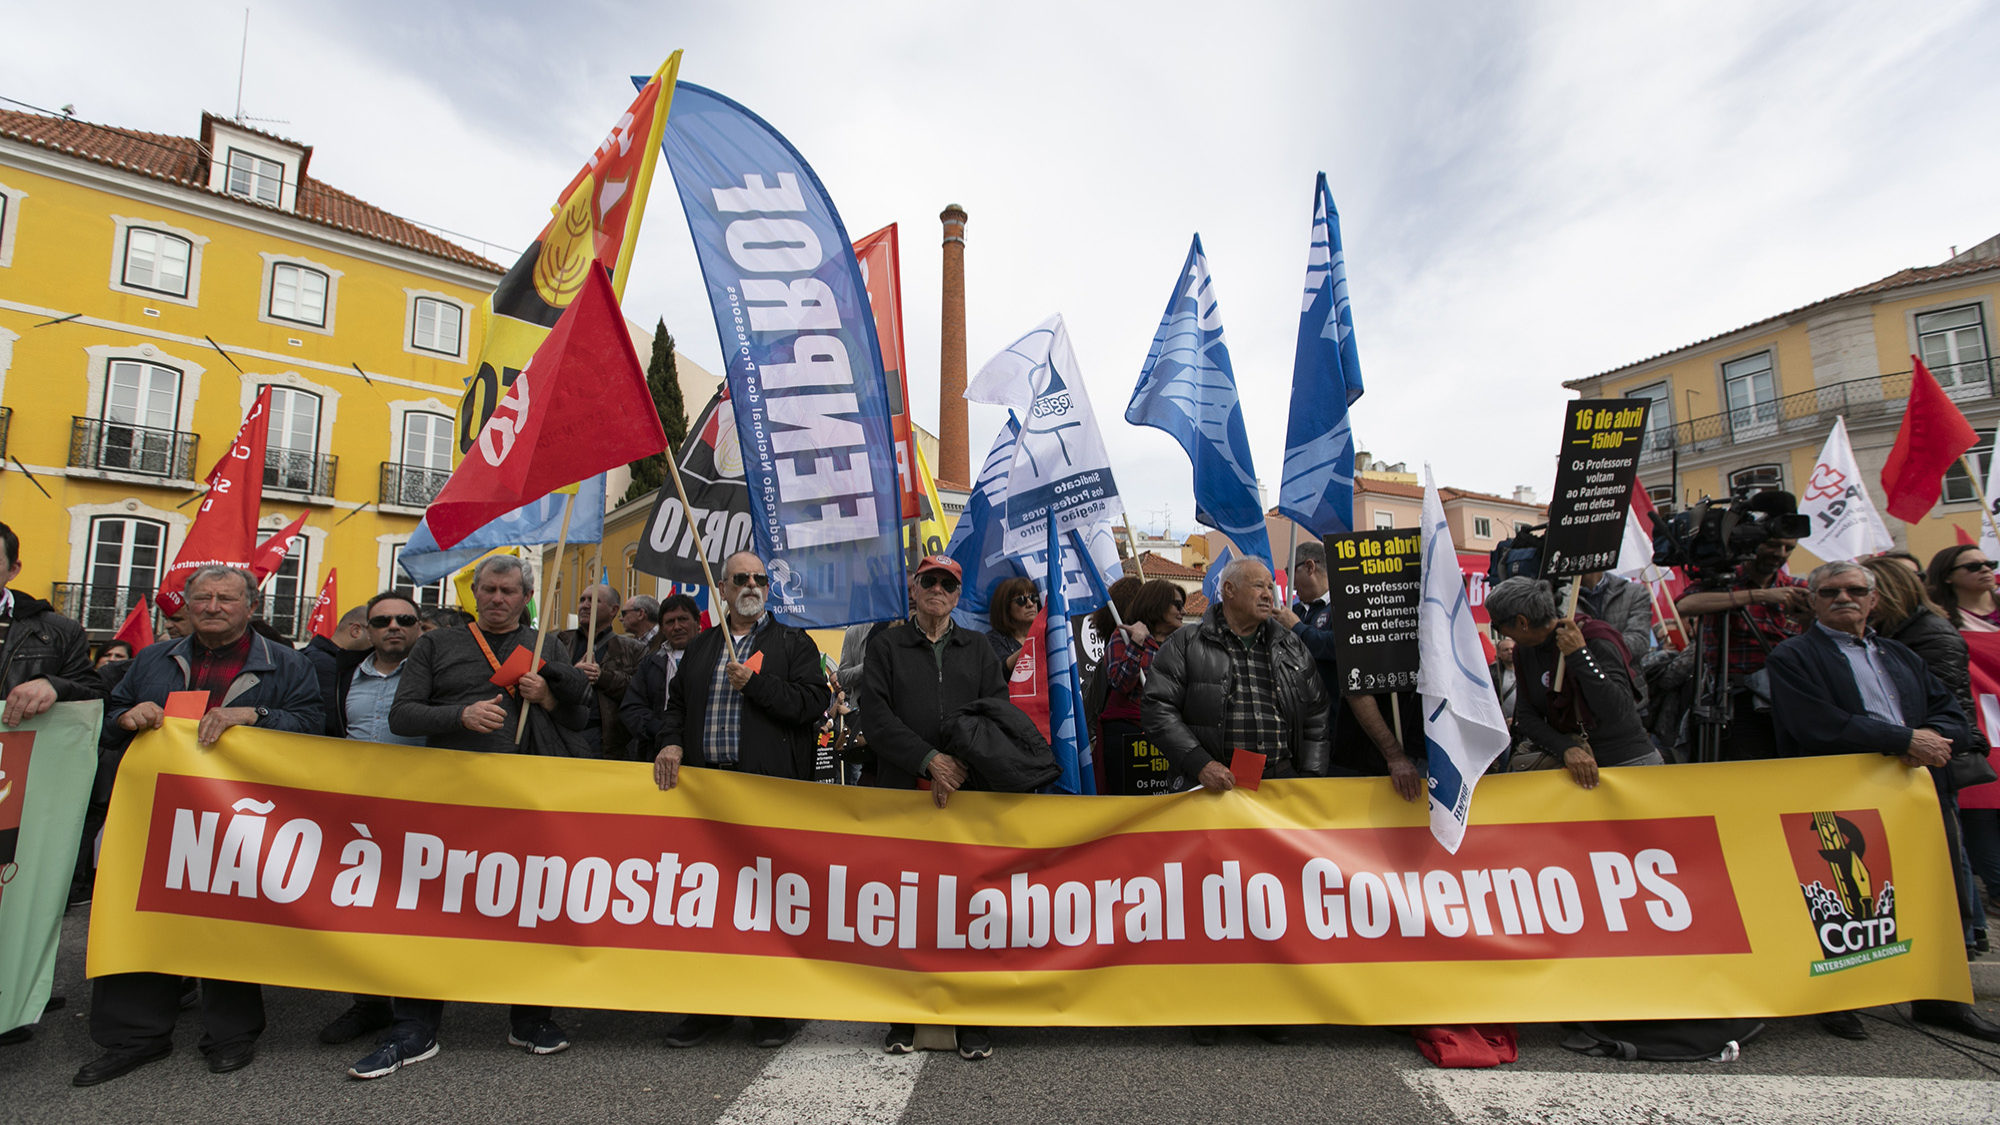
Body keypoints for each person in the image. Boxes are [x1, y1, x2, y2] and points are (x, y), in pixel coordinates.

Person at [75, 565, 322, 1086]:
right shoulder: (152, 659)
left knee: (228, 920)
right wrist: (126, 718)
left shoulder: (288, 663)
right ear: (185, 605)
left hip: (239, 818)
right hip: (152, 812)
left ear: (251, 607)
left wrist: (256, 716)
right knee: (139, 915)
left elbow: (314, 729)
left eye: (225, 598)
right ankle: (134, 1037)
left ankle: (231, 1034)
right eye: (202, 598)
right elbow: (109, 717)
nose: (212, 607)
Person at [350, 555, 590, 1079]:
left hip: (526, 797)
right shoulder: (436, 644)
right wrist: (460, 715)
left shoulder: (547, 644)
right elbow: (402, 714)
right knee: (432, 910)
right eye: (488, 590)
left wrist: (549, 697)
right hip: (452, 798)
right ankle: (414, 1026)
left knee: (531, 908)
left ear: (527, 597)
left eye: (508, 591)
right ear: (474, 593)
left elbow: (580, 717)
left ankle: (530, 1018)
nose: (497, 599)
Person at [1765, 560, 2000, 1044]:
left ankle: (1941, 1000)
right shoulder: (1793, 656)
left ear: (1874, 599)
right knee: (1846, 900)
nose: (1843, 598)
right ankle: (1839, 1000)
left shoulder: (1900, 654)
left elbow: (1951, 713)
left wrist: (1931, 739)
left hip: (1915, 793)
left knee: (1935, 895)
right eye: (1830, 592)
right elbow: (1814, 724)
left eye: (1855, 590)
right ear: (1813, 601)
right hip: (1839, 797)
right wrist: (1904, 739)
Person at [651, 551, 830, 1050]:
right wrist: (671, 742)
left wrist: (757, 685)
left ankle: (767, 1008)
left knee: (765, 906)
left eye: (759, 579)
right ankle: (709, 1008)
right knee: (707, 903)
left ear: (767, 589)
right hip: (708, 796)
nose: (751, 585)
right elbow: (676, 707)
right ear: (724, 590)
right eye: (741, 579)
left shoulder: (793, 643)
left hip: (765, 793)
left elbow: (812, 704)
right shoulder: (703, 645)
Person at [857, 555, 1006, 1060]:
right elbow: (876, 718)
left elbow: (996, 714)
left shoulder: (978, 648)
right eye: (929, 581)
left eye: (948, 583)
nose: (938, 589)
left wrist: (956, 765)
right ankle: (903, 1013)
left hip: (968, 794)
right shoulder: (886, 646)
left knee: (971, 909)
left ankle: (972, 1016)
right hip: (903, 793)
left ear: (958, 596)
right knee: (907, 909)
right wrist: (928, 760)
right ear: (914, 589)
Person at [1863, 556, 1992, 956]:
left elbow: (1945, 703)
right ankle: (1970, 932)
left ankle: (1964, 936)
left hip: (1934, 752)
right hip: (1918, 749)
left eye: (1865, 592)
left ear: (1887, 594)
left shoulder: (1929, 634)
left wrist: (1921, 738)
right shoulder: (1901, 630)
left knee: (1946, 847)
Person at [314, 591, 425, 1047]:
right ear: (367, 630)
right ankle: (369, 1003)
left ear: (419, 628)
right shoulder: (343, 677)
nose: (393, 627)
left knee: (413, 910)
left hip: (418, 808)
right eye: (382, 621)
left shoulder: (432, 676)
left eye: (404, 619)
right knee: (359, 908)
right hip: (355, 812)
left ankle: (415, 1008)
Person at [1143, 555, 1331, 790]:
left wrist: (1311, 777)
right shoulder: (1185, 643)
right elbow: (1157, 708)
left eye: (1270, 587)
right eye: (1259, 586)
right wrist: (1200, 764)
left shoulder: (1291, 646)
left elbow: (1317, 714)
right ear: (1229, 590)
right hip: (1212, 788)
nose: (1268, 595)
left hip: (1282, 787)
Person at [1486, 578, 1658, 788]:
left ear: (1522, 622)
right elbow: (1526, 715)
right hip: (1570, 770)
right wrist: (1565, 748)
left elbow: (1617, 709)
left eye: (1497, 626)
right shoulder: (1524, 652)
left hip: (1626, 762)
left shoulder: (1595, 638)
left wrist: (1579, 655)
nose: (1502, 635)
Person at [1673, 534, 1810, 760]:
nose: (1780, 554)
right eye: (1773, 545)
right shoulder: (1722, 581)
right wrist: (1758, 596)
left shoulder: (1796, 588)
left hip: (1788, 694)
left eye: (1789, 548)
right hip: (1737, 697)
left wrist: (1807, 616)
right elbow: (1685, 605)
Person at [1099, 579, 1185, 795]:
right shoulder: (1124, 637)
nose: (1183, 611)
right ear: (1157, 604)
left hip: (1168, 734)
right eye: (1177, 605)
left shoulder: (1182, 643)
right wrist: (1137, 644)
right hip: (1129, 735)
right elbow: (1120, 683)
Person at [555, 584, 647, 759]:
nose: (585, 605)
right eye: (582, 600)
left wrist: (602, 676)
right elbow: (547, 679)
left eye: (594, 600)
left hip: (605, 739)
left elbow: (638, 690)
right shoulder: (560, 641)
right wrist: (573, 675)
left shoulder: (633, 649)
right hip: (562, 731)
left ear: (614, 610)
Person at [620, 593, 701, 756]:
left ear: (697, 622)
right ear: (662, 628)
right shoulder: (650, 663)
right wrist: (661, 730)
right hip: (657, 751)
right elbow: (631, 708)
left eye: (683, 619)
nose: (677, 627)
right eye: (670, 622)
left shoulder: (714, 658)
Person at [304, 605, 375, 736]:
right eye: (375, 632)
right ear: (356, 631)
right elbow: (331, 719)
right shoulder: (324, 664)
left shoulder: (325, 660)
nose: (380, 640)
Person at [1577, 570, 1654, 662]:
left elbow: (1640, 642)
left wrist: (1588, 646)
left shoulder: (1634, 592)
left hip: (1624, 669)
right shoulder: (1564, 595)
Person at [1927, 545, 2000, 632]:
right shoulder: (1937, 620)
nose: (1986, 569)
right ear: (1947, 576)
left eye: (1990, 564)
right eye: (1973, 566)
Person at [985, 575, 1040, 671]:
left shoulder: (1047, 633)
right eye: (1021, 600)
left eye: (1033, 597)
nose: (1030, 604)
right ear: (1006, 607)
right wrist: (1034, 643)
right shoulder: (993, 639)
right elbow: (1000, 670)